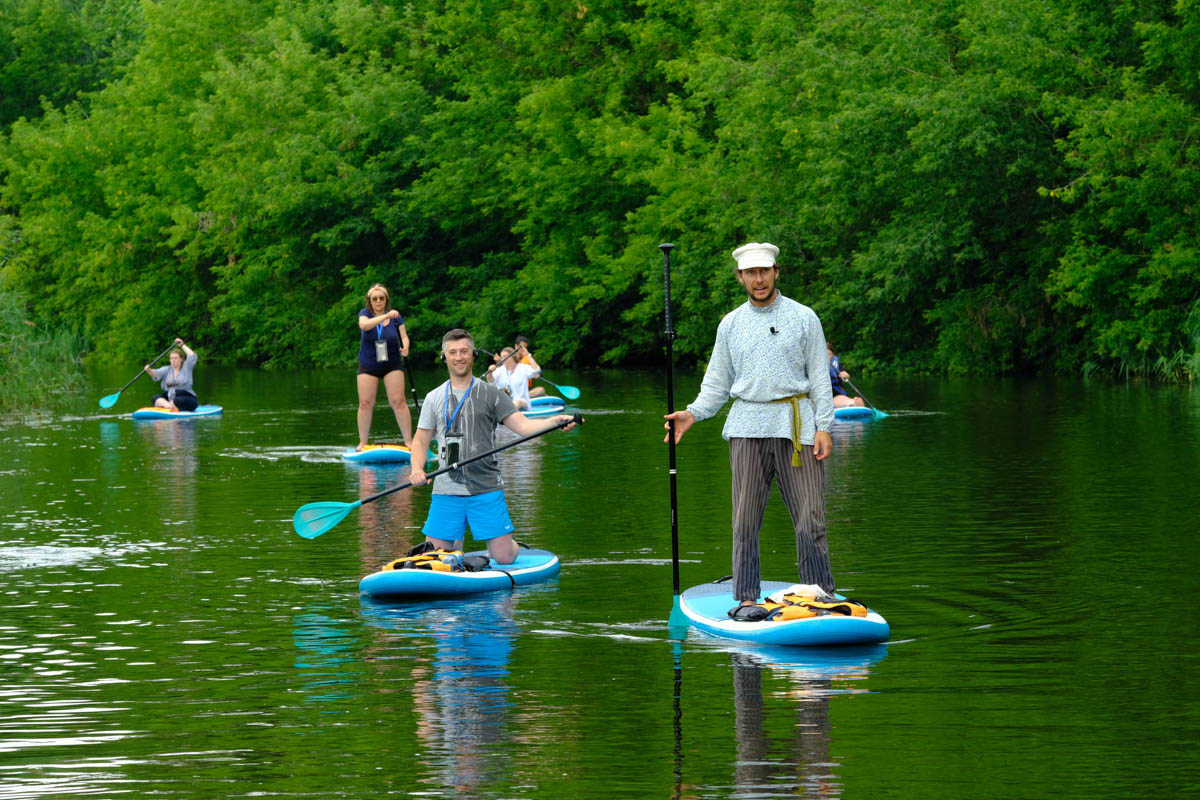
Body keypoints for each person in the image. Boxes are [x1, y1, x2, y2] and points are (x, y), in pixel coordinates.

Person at [663, 242, 837, 614]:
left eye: (764, 271)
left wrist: (824, 425)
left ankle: (819, 593)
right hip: (746, 427)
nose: (758, 279)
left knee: (810, 518)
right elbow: (716, 382)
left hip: (798, 428)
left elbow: (820, 379)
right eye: (751, 273)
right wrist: (692, 414)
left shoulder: (805, 317)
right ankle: (746, 598)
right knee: (744, 519)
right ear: (740, 277)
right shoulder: (730, 324)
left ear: (776, 272)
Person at [408, 329, 577, 564]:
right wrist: (417, 468)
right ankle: (455, 544)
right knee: (433, 558)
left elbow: (523, 426)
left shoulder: (492, 394)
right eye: (453, 352)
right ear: (444, 357)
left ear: (473, 355)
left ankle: (511, 545)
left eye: (464, 351)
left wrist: (554, 422)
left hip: (485, 486)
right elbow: (420, 440)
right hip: (446, 488)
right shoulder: (433, 397)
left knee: (504, 557)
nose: (459, 357)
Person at [356, 283, 412, 449]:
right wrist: (384, 317)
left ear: (386, 300)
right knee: (365, 403)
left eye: (382, 298)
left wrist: (406, 346)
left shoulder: (396, 317)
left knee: (398, 401)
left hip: (392, 363)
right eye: (375, 299)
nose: (378, 301)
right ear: (370, 301)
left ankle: (409, 441)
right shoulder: (365, 314)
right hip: (368, 363)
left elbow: (404, 336)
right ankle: (363, 442)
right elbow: (364, 326)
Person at [145, 338, 200, 411]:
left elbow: (192, 356)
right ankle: (169, 406)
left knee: (178, 400)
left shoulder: (187, 367)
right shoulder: (167, 369)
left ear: (181, 359)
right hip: (170, 399)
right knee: (155, 398)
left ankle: (171, 405)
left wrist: (182, 345)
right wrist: (149, 370)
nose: (173, 360)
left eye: (175, 358)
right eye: (171, 358)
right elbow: (155, 373)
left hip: (186, 398)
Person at [827, 343, 866, 408]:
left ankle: (853, 403)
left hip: (835, 395)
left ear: (833, 354)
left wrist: (846, 375)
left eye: (828, 354)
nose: (826, 357)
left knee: (857, 402)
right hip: (820, 396)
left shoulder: (837, 364)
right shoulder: (813, 367)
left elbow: (845, 374)